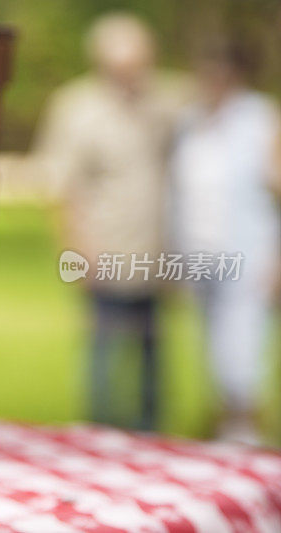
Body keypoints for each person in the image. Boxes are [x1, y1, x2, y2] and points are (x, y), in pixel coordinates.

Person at [35, 13, 186, 430]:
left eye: (140, 65)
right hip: (102, 251)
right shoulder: (75, 107)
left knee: (152, 355)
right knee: (105, 354)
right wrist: (76, 250)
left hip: (155, 253)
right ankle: (102, 435)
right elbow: (60, 187)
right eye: (123, 68)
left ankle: (149, 435)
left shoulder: (167, 100)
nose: (132, 76)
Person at [170, 40, 281, 444]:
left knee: (244, 349)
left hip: (248, 251)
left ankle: (247, 437)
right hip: (202, 253)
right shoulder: (190, 122)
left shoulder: (261, 119)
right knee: (214, 348)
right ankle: (225, 434)